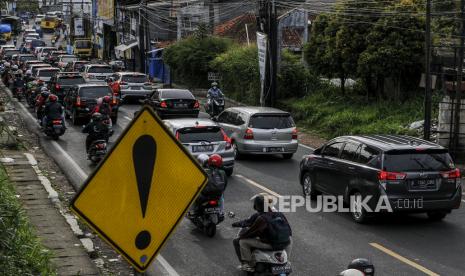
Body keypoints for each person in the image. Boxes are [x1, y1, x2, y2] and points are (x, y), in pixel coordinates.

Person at [232, 193, 292, 272]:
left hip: (271, 244)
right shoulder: (279, 214)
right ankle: (287, 261)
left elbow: (252, 232)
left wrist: (241, 237)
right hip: (285, 243)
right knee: (290, 238)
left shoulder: (262, 218)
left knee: (242, 242)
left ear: (257, 206)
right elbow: (289, 231)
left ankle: (247, 264)